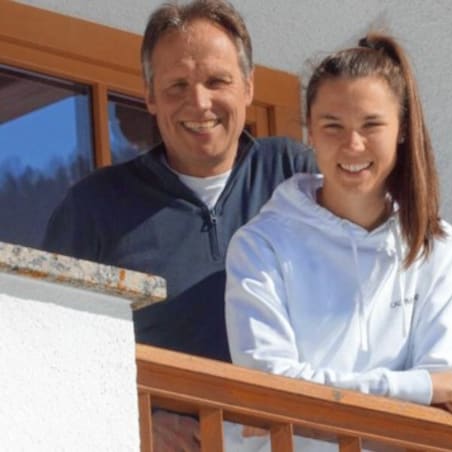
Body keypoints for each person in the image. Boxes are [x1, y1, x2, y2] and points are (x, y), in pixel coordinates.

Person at [224, 33, 452, 450]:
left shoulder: (437, 249)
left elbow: (444, 394)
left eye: (372, 125)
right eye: (333, 126)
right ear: (309, 132)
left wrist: (428, 390)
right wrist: (417, 388)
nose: (353, 145)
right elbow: (272, 388)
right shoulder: (260, 246)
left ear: (401, 130)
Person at [42, 0, 316, 363]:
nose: (199, 103)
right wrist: (149, 414)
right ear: (151, 97)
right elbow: (51, 343)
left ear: (248, 88)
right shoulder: (94, 207)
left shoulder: (293, 172)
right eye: (177, 86)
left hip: (295, 418)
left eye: (217, 81)